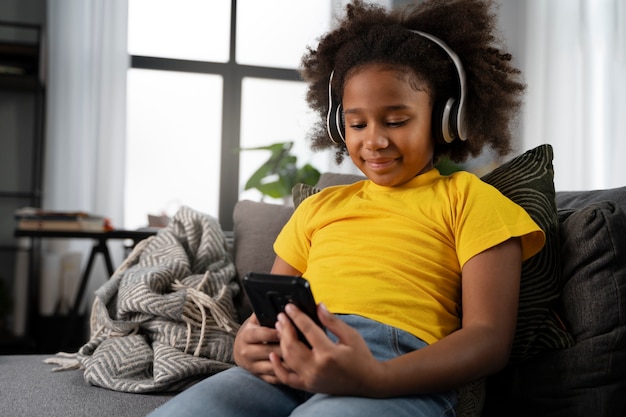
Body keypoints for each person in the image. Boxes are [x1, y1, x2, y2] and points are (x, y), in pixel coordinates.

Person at [149, 0, 545, 415]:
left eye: (395, 121)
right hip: (289, 361)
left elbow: (488, 340)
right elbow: (268, 311)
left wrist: (376, 378)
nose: (373, 140)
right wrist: (246, 342)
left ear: (446, 119)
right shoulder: (320, 207)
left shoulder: (471, 199)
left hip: (393, 369)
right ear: (339, 126)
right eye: (357, 124)